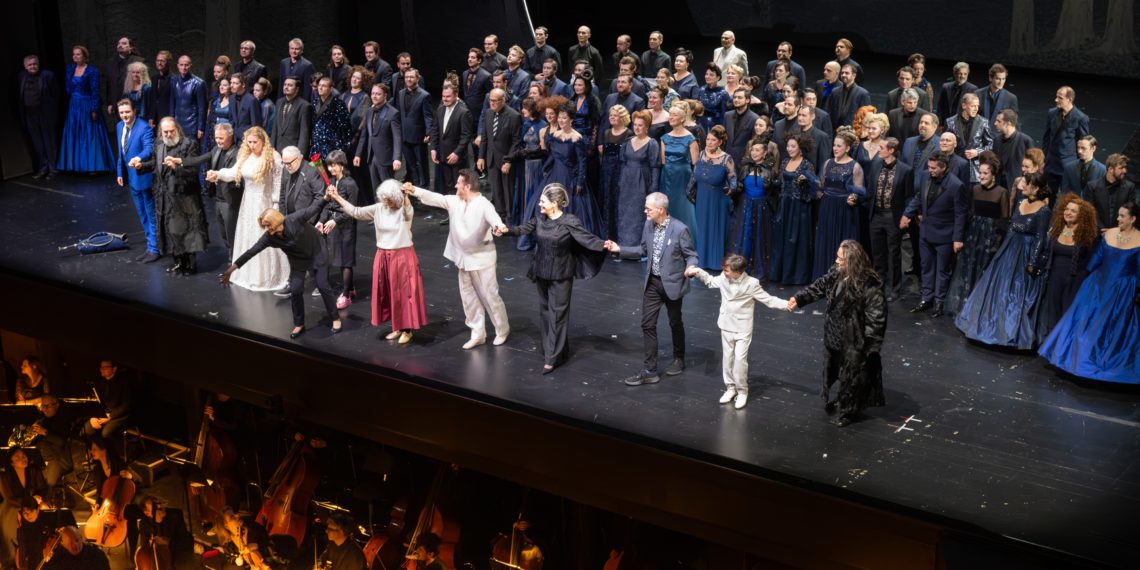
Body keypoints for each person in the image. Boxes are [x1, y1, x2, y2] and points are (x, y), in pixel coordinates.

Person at [499, 184, 606, 373]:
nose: (539, 204)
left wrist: (606, 245)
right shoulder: (540, 219)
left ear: (555, 203)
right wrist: (506, 230)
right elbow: (523, 229)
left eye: (543, 201)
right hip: (541, 272)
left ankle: (552, 357)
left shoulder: (569, 221)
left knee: (558, 315)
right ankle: (557, 351)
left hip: (561, 275)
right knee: (545, 313)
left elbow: (587, 238)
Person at [405, 171, 510, 349]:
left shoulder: (483, 204)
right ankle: (478, 333)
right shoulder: (455, 201)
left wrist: (499, 227)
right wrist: (414, 189)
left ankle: (502, 330)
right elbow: (434, 197)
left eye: (458, 183)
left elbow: (495, 220)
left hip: (482, 260)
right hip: (463, 259)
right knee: (469, 298)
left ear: (467, 186)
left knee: (490, 296)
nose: (455, 186)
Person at [1038, 202, 1140, 383]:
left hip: (1121, 290)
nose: (1118, 219)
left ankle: (1104, 367)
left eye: (1122, 216)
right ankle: (1076, 362)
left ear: (1133, 219)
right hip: (1097, 285)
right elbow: (1095, 261)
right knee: (1083, 323)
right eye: (1118, 215)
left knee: (1112, 329)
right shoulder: (1108, 234)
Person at [602, 192, 698, 384]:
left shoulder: (680, 229)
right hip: (653, 283)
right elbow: (643, 250)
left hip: (672, 284)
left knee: (674, 322)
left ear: (660, 210)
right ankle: (650, 370)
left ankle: (679, 358)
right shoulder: (648, 225)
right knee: (647, 324)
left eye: (648, 209)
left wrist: (690, 267)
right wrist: (620, 249)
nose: (645, 211)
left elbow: (691, 254)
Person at [788, 240, 887, 427]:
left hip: (854, 340)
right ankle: (843, 401)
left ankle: (848, 410)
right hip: (834, 335)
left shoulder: (870, 284)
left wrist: (869, 346)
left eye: (840, 258)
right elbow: (819, 287)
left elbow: (877, 318)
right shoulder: (836, 273)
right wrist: (799, 298)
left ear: (851, 261)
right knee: (839, 371)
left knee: (853, 376)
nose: (837, 261)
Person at [955, 171, 1052, 348]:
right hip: (1010, 248)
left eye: (1026, 183)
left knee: (1017, 291)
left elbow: (1040, 237)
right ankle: (990, 325)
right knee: (996, 286)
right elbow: (1011, 226)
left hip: (1025, 252)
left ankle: (1010, 332)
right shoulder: (1021, 202)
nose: (1022, 185)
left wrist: (1033, 261)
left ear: (1036, 188)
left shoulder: (1043, 210)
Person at [328, 180, 426, 343]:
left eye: (389, 198)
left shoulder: (404, 209)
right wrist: (337, 197)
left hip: (401, 256)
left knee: (403, 293)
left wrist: (405, 196)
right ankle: (397, 326)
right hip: (383, 255)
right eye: (384, 198)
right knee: (389, 292)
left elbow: (408, 210)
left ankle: (406, 329)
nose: (386, 201)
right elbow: (356, 212)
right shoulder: (379, 208)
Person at [222, 208, 343, 338]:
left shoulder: (293, 220)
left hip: (317, 250)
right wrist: (231, 270)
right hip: (298, 260)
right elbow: (251, 251)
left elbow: (313, 207)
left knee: (322, 285)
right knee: (295, 290)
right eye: (264, 226)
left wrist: (325, 198)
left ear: (276, 221)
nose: (266, 229)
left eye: (268, 225)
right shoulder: (269, 237)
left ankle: (335, 318)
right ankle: (299, 323)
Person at [686, 254, 787, 408]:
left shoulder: (751, 284)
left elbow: (769, 300)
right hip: (726, 324)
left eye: (727, 270)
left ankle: (742, 391)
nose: (724, 273)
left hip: (742, 327)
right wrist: (697, 271)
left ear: (737, 271)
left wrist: (787, 304)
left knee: (740, 360)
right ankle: (730, 388)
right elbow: (711, 281)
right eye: (724, 270)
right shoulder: (724, 277)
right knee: (727, 359)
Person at [206, 126, 289, 291]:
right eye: (249, 142)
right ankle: (247, 273)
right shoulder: (246, 155)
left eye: (254, 142)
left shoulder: (273, 156)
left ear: (263, 141)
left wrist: (275, 205)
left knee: (263, 238)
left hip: (264, 203)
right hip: (248, 203)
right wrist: (218, 174)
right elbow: (233, 172)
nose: (251, 145)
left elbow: (278, 183)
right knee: (248, 236)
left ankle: (265, 277)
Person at [132, 118, 207, 275]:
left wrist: (177, 167)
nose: (168, 134)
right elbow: (155, 163)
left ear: (177, 129)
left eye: (171, 131)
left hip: (184, 197)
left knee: (186, 231)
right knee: (171, 231)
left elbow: (194, 171)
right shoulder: (159, 144)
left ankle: (190, 265)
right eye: (165, 132)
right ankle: (179, 262)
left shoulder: (189, 144)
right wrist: (142, 166)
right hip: (164, 196)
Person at [901, 152, 970, 317]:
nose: (929, 170)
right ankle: (926, 298)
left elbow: (961, 214)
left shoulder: (956, 185)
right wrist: (907, 214)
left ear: (943, 167)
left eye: (933, 168)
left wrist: (958, 238)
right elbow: (918, 198)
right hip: (925, 231)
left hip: (945, 235)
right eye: (929, 166)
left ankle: (939, 302)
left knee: (942, 270)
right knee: (926, 267)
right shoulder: (925, 176)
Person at [944, 155, 1010, 316]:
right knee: (969, 269)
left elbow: (1004, 219)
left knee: (984, 270)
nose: (981, 176)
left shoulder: (1002, 193)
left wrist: (997, 242)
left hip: (991, 238)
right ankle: (964, 306)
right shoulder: (975, 189)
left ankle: (978, 309)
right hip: (974, 235)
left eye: (985, 173)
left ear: (994, 175)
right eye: (980, 173)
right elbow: (970, 213)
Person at [1035, 194, 1097, 342]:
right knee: (1053, 313)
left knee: (1067, 313)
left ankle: (1064, 346)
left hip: (1074, 280)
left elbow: (1090, 261)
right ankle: (1051, 344)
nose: (1068, 213)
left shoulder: (1088, 236)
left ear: (1082, 215)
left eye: (1073, 211)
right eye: (1067, 209)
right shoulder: (1057, 229)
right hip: (1055, 277)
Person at [812, 128, 866, 281]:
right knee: (825, 240)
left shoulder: (855, 166)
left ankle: (843, 279)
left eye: (839, 146)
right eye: (834, 145)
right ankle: (824, 279)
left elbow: (859, 190)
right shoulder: (827, 163)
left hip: (844, 210)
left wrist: (853, 198)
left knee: (842, 243)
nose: (835, 148)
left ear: (848, 148)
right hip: (827, 207)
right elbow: (820, 186)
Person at [866, 137, 914, 300]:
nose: (878, 149)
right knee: (878, 253)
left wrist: (906, 216)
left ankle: (894, 288)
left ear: (891, 150)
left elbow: (909, 196)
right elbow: (870, 189)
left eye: (882, 147)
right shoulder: (875, 164)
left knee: (893, 253)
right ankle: (879, 285)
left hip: (893, 216)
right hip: (876, 215)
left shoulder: (905, 170)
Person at [113, 98, 161, 263]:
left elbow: (149, 149)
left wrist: (138, 158)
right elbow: (120, 152)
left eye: (127, 112)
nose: (125, 115)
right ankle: (150, 246)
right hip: (131, 178)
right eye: (122, 113)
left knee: (150, 214)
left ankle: (155, 248)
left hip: (143, 178)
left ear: (134, 111)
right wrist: (120, 172)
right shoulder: (119, 126)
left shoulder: (144, 127)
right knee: (142, 215)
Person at [544, 103, 601, 235]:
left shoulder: (577, 138)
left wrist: (580, 182)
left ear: (571, 120)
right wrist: (546, 168)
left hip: (570, 177)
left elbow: (582, 162)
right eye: (559, 117)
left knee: (570, 206)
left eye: (564, 118)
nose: (561, 120)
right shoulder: (555, 135)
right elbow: (553, 156)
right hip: (555, 174)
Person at [770, 132, 819, 285]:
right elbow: (781, 183)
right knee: (781, 238)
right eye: (788, 146)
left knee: (795, 240)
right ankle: (779, 274)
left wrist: (805, 181)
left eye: (793, 146)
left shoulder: (806, 164)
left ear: (800, 148)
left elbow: (814, 188)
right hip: (784, 205)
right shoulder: (784, 162)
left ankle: (795, 276)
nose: (789, 149)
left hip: (799, 207)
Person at [57, 46, 114, 173]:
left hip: (87, 104)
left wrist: (94, 109)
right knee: (75, 133)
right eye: (73, 54)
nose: (75, 56)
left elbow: (95, 91)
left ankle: (92, 166)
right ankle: (76, 165)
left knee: (89, 133)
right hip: (74, 105)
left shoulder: (92, 71)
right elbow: (68, 89)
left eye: (78, 54)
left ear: (85, 56)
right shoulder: (70, 69)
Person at [728, 137, 777, 279]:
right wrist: (731, 190)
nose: (754, 153)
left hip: (762, 208)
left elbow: (773, 191)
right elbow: (740, 187)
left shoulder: (769, 170)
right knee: (745, 235)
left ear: (765, 152)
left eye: (757, 150)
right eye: (752, 149)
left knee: (760, 236)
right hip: (746, 206)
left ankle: (758, 268)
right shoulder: (745, 168)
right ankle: (741, 267)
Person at [690, 126, 737, 269]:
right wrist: (689, 192)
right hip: (702, 198)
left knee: (715, 230)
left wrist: (731, 189)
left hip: (718, 200)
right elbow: (694, 176)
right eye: (708, 139)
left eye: (713, 140)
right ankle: (701, 261)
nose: (709, 142)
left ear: (720, 142)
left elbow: (733, 179)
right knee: (701, 229)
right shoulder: (702, 154)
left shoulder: (726, 159)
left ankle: (715, 263)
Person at [317, 150, 358, 309]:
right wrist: (322, 220)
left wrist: (335, 220)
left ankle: (346, 295)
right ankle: (351, 288)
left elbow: (352, 210)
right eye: (329, 166)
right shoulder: (333, 182)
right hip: (335, 225)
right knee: (341, 259)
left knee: (345, 261)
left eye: (334, 165)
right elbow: (329, 205)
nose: (331, 169)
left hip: (346, 226)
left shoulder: (350, 184)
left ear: (342, 165)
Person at [616, 111, 661, 250]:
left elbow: (655, 167)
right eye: (635, 125)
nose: (636, 128)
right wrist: (620, 181)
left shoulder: (652, 144)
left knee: (639, 215)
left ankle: (637, 248)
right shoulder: (628, 142)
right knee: (624, 215)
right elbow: (622, 162)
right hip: (626, 181)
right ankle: (623, 247)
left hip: (642, 182)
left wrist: (653, 187)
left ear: (647, 126)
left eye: (640, 125)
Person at [479, 88, 522, 221]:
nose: (492, 103)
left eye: (495, 101)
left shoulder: (514, 116)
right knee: (496, 190)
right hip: (491, 158)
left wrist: (509, 161)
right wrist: (481, 156)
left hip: (505, 160)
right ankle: (500, 215)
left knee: (507, 190)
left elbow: (516, 142)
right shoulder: (488, 113)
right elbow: (485, 137)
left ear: (503, 100)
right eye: (490, 100)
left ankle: (510, 217)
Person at [0, 447, 49, 566]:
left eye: (24, 456)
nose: (22, 459)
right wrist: (31, 502)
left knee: (43, 518)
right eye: (17, 457)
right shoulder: (4, 476)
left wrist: (38, 500)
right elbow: (10, 499)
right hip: (13, 508)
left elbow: (43, 488)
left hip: (32, 507)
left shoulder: (34, 470)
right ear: (11, 462)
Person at [354, 83, 403, 196]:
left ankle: (393, 212)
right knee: (376, 191)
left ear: (385, 95)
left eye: (378, 94)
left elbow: (397, 137)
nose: (374, 96)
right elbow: (364, 135)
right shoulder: (369, 111)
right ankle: (379, 211)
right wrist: (358, 154)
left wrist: (397, 158)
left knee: (389, 191)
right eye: (373, 93)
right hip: (371, 157)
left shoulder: (393, 113)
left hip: (385, 158)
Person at [18, 55, 60, 180]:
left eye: (35, 64)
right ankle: (43, 168)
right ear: (25, 66)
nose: (33, 67)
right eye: (30, 65)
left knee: (49, 142)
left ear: (38, 64)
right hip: (30, 115)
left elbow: (56, 95)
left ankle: (54, 169)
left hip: (45, 114)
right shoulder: (21, 76)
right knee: (38, 143)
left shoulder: (48, 75)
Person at [1041, 86, 1090, 194]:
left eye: (1060, 98)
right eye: (1056, 97)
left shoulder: (1081, 118)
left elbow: (1083, 144)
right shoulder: (1051, 113)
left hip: (1068, 165)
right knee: (1047, 195)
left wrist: (1080, 166)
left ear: (1070, 100)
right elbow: (1046, 137)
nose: (1056, 100)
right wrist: (1044, 158)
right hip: (1050, 163)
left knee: (1066, 196)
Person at [598, 105, 631, 241]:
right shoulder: (606, 133)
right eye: (611, 115)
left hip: (620, 171)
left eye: (615, 115)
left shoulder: (628, 134)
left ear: (622, 118)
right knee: (606, 201)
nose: (612, 117)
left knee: (617, 203)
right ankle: (606, 235)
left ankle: (618, 237)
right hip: (606, 172)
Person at [944, 93, 994, 184]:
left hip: (974, 170)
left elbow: (990, 144)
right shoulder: (950, 122)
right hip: (955, 167)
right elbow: (944, 144)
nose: (976, 109)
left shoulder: (983, 122)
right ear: (964, 106)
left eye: (977, 106)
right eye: (973, 106)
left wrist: (978, 152)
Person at [397, 68, 433, 189]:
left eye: (411, 77)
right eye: (407, 77)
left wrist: (428, 132)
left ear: (417, 78)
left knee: (422, 164)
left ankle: (424, 187)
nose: (409, 79)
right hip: (405, 135)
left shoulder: (424, 95)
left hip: (419, 135)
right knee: (411, 164)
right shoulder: (401, 93)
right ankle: (416, 187)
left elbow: (428, 116)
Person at [28, 395, 76, 486]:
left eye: (47, 406)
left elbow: (62, 442)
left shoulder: (63, 420)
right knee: (34, 477)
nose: (44, 409)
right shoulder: (43, 420)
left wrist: (44, 432)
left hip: (60, 460)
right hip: (45, 461)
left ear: (56, 405)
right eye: (43, 406)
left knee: (45, 482)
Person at [83, 360, 132, 442]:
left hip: (118, 416)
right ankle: (98, 450)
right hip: (103, 414)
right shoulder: (100, 382)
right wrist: (93, 416)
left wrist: (110, 416)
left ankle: (109, 452)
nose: (101, 369)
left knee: (106, 433)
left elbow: (126, 406)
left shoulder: (124, 383)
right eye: (101, 367)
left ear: (114, 369)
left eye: (105, 367)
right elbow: (96, 402)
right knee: (87, 429)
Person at [1088, 154, 1138, 230]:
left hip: (1120, 232)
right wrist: (1102, 229)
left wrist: (1115, 230)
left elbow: (1130, 212)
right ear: (1111, 169)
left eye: (1125, 168)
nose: (1125, 171)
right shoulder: (1092, 186)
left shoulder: (1130, 187)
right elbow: (1090, 211)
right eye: (1121, 168)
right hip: (1097, 232)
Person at [991, 109, 1034, 192]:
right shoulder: (996, 140)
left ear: (1008, 123)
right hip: (999, 187)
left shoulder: (1026, 141)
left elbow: (1032, 168)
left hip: (1018, 188)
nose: (995, 123)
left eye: (999, 121)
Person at [311, 75, 353, 158]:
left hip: (332, 147)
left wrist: (342, 147)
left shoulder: (338, 103)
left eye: (324, 86)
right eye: (319, 85)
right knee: (318, 170)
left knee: (332, 170)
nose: (320, 88)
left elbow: (345, 126)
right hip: (316, 146)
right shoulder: (315, 102)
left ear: (330, 89)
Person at [271, 76, 313, 155]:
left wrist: (300, 154)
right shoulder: (279, 102)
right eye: (285, 85)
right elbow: (275, 126)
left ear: (297, 89)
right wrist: (272, 146)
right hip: (277, 149)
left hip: (293, 151)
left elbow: (304, 133)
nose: (286, 87)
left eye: (290, 85)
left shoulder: (304, 106)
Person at [41, 526, 111, 570]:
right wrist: (46, 560)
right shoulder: (58, 558)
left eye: (77, 540)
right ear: (63, 544)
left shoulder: (97, 555)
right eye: (70, 543)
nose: (75, 545)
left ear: (81, 538)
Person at [826, 64, 870, 132]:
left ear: (854, 75)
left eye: (847, 73)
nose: (843, 75)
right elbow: (830, 111)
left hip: (852, 133)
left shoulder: (863, 93)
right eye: (842, 73)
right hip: (835, 131)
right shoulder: (835, 91)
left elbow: (866, 117)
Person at [937, 62, 977, 126]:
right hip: (947, 123)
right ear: (955, 73)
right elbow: (940, 106)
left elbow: (974, 109)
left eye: (965, 74)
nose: (962, 76)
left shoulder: (973, 89)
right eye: (960, 74)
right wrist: (940, 123)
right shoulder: (946, 87)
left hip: (963, 125)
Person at [696, 64, 728, 133]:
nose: (707, 77)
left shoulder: (723, 93)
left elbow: (724, 115)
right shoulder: (701, 90)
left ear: (718, 77)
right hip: (701, 124)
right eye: (706, 74)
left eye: (711, 75)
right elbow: (697, 110)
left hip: (716, 125)